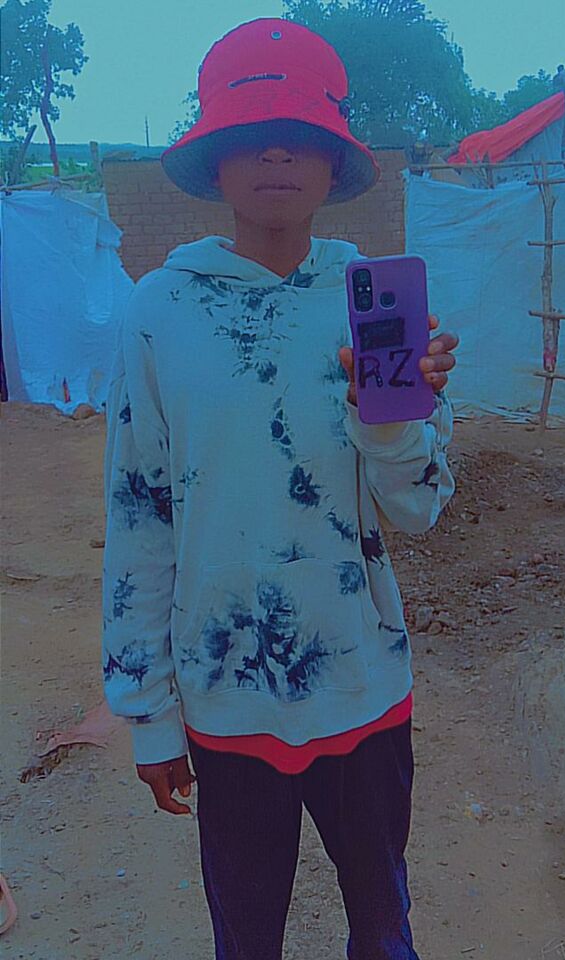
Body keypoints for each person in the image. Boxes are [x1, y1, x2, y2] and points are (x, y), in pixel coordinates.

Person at [102, 17, 458, 960]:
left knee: (383, 925)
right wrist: (148, 713)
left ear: (333, 163)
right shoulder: (159, 311)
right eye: (249, 135)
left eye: (300, 135)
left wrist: (391, 416)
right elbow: (139, 513)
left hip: (361, 681)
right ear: (213, 161)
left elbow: (418, 509)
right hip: (226, 695)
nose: (275, 154)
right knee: (246, 934)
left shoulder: (374, 301)